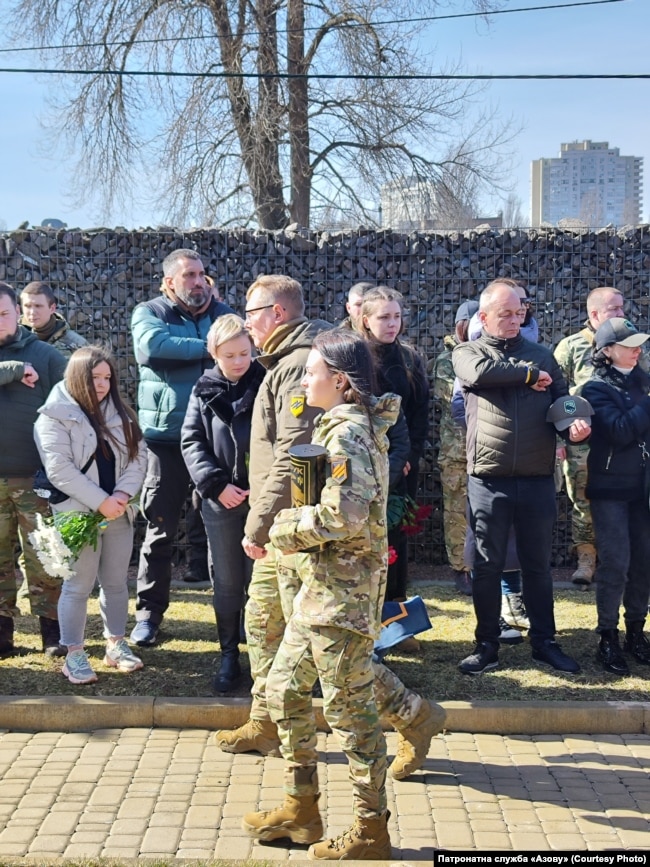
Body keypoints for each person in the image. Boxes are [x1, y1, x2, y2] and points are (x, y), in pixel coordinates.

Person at [215, 276, 442, 782]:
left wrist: (264, 526)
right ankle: (265, 721)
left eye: (251, 313)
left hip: (298, 536)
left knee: (334, 655)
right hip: (288, 529)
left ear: (275, 313)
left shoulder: (302, 362)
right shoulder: (283, 359)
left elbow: (294, 460)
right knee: (266, 626)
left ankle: (413, 716)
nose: (247, 322)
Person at [242, 329, 396, 859]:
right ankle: (301, 808)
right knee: (284, 691)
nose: (304, 380)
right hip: (319, 592)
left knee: (351, 718)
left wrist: (283, 527)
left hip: (343, 600)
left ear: (339, 379)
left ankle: (371, 831)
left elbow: (344, 516)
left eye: (312, 372)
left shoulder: (348, 433)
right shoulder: (335, 427)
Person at [452, 280, 591, 675]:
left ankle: (545, 643)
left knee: (537, 567)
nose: (516, 320)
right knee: (486, 566)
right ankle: (486, 645)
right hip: (488, 479)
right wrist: (528, 376)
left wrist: (574, 425)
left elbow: (562, 402)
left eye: (520, 312)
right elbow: (478, 373)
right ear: (483, 317)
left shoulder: (543, 355)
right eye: (505, 314)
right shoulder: (468, 352)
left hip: (535, 479)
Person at [129, 249, 234, 646]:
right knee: (159, 530)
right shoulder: (149, 311)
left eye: (202, 274)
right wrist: (210, 347)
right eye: (189, 275)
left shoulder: (223, 312)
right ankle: (148, 617)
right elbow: (153, 348)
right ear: (170, 282)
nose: (198, 282)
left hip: (214, 442)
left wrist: (199, 345)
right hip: (166, 442)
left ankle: (230, 621)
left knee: (223, 533)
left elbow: (240, 348)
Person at [34, 345, 148, 684]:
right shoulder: (52, 416)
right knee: (78, 584)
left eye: (106, 377)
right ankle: (75, 653)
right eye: (94, 376)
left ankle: (115, 644)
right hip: (77, 513)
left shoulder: (122, 414)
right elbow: (60, 470)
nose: (102, 384)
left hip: (117, 510)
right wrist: (101, 501)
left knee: (115, 583)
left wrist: (123, 495)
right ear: (76, 376)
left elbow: (138, 457)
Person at [181, 314, 265, 693]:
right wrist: (215, 486)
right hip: (221, 501)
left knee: (263, 581)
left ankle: (263, 658)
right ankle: (229, 655)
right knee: (228, 580)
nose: (238, 362)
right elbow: (192, 442)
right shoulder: (202, 390)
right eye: (229, 355)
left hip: (264, 498)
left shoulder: (266, 382)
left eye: (244, 353)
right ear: (214, 353)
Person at [0, 281, 67, 658]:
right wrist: (10, 369)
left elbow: (73, 408)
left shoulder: (45, 356)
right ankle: (2, 633)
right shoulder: (17, 362)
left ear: (18, 314)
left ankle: (52, 633)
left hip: (34, 478)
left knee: (43, 555)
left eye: (4, 313)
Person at [581, 318, 650, 675]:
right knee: (616, 563)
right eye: (629, 345)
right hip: (610, 489)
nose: (638, 350)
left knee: (644, 563)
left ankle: (636, 632)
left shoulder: (644, 382)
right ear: (607, 351)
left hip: (643, 489)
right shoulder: (595, 388)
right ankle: (607, 636)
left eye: (639, 344)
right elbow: (621, 432)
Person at [554, 286, 633, 589]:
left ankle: (617, 563)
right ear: (595, 314)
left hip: (623, 441)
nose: (621, 314)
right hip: (582, 446)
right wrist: (561, 441)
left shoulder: (631, 346)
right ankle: (586, 560)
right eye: (614, 309)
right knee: (583, 501)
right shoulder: (570, 347)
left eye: (622, 308)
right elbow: (557, 398)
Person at [357, 286, 430, 604]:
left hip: (403, 465)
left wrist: (410, 455)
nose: (392, 324)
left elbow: (419, 412)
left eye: (397, 317)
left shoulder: (410, 358)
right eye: (384, 317)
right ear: (365, 319)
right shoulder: (354, 356)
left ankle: (396, 612)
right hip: (363, 463)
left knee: (396, 536)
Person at [432, 299, 478, 596]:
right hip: (456, 451)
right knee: (457, 513)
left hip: (487, 450)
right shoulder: (446, 361)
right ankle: (461, 569)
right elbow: (451, 399)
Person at [20, 281, 88, 358]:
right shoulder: (13, 339)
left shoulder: (76, 344)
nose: (32, 312)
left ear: (52, 308)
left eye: (38, 306)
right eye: (27, 306)